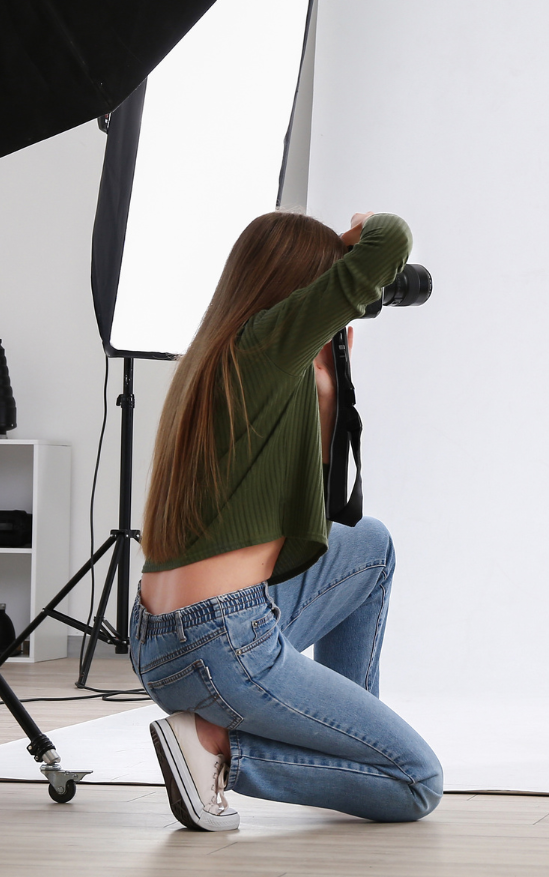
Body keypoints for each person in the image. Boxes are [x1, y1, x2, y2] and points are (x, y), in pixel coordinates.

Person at [130, 209, 442, 830]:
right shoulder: (266, 345)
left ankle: (346, 738)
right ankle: (214, 748)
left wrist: (327, 388)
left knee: (370, 544)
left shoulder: (221, 356)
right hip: (220, 643)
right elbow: (391, 241)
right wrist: (359, 232)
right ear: (303, 286)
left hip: (160, 639)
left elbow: (311, 512)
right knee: (417, 782)